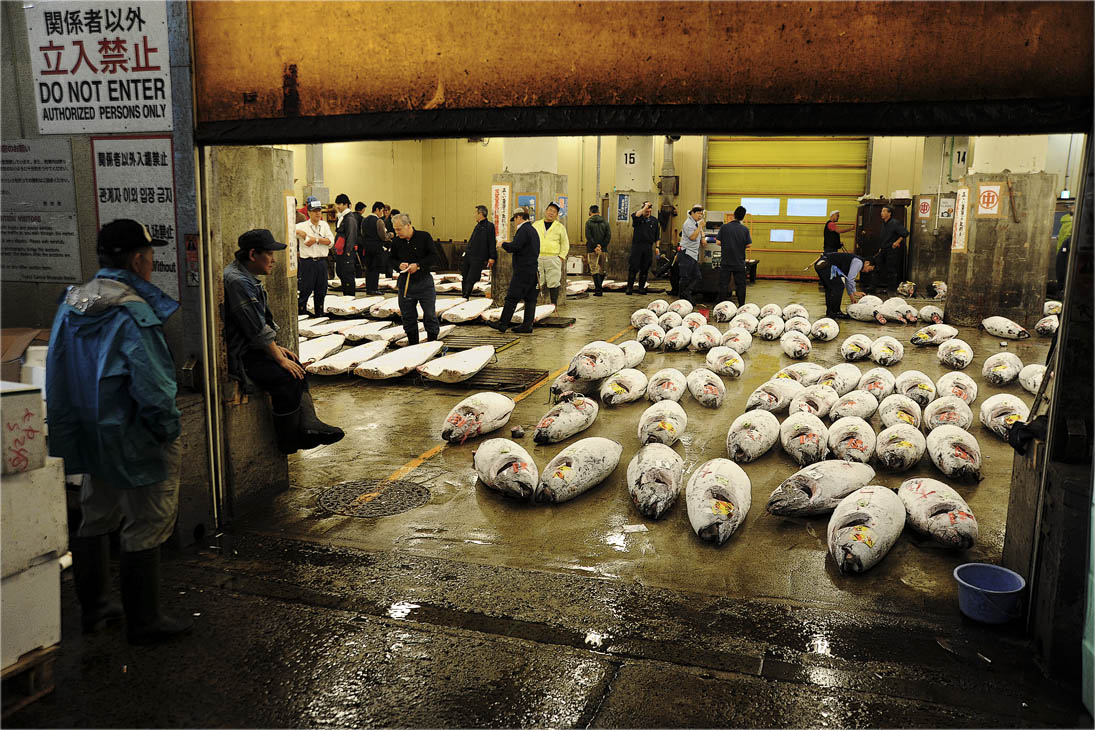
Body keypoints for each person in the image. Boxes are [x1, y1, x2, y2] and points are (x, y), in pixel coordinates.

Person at [47, 219, 192, 645]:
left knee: (97, 514)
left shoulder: (72, 301)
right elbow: (152, 386)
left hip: (89, 431)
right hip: (134, 435)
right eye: (150, 256)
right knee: (147, 520)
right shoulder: (133, 310)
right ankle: (144, 621)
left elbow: (57, 368)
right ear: (136, 260)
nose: (152, 264)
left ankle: (95, 609)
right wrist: (167, 431)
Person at [224, 228, 344, 455]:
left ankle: (309, 425)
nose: (273, 260)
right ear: (253, 255)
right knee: (286, 377)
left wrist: (278, 350)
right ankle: (288, 441)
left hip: (253, 347)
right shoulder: (237, 281)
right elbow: (257, 329)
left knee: (297, 367)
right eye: (269, 254)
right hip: (242, 355)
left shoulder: (244, 276)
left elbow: (256, 324)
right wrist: (278, 359)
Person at [488, 207, 540, 334]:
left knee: (511, 298)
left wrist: (503, 244)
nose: (514, 222)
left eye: (515, 219)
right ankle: (527, 326)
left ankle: (502, 324)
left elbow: (515, 247)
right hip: (532, 270)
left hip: (522, 270)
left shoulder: (523, 230)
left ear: (519, 217)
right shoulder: (533, 230)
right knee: (530, 299)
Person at [390, 213, 441, 344]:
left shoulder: (424, 237)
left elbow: (434, 257)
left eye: (399, 229)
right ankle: (413, 345)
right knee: (408, 316)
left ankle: (432, 344)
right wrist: (398, 265)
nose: (397, 232)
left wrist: (418, 266)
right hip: (406, 284)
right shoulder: (396, 241)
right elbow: (390, 259)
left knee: (429, 315)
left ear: (408, 226)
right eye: (395, 229)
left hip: (424, 282)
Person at [294, 199, 333, 315]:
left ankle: (319, 314)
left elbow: (331, 242)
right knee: (305, 290)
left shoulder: (324, 225)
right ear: (309, 212)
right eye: (314, 211)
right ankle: (301, 315)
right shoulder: (302, 226)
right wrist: (304, 235)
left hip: (321, 262)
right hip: (308, 263)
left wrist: (315, 240)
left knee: (321, 291)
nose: (317, 213)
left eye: (319, 211)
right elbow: (288, 231)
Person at [814, 250, 876, 319]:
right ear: (867, 263)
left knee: (831, 288)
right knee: (838, 286)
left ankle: (830, 312)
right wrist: (855, 292)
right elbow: (850, 279)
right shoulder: (859, 262)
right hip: (826, 264)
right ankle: (835, 312)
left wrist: (852, 296)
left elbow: (847, 279)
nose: (867, 271)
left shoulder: (855, 261)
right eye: (869, 269)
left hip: (821, 264)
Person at [532, 201, 570, 306]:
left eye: (554, 211)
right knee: (536, 282)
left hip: (553, 258)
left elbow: (565, 244)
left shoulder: (560, 227)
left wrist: (561, 257)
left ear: (557, 215)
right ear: (545, 211)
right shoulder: (536, 225)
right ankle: (532, 305)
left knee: (553, 282)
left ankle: (554, 305)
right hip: (537, 258)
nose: (551, 213)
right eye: (550, 210)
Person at [716, 205, 752, 305]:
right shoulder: (745, 229)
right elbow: (749, 244)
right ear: (743, 217)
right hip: (739, 262)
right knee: (740, 285)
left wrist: (727, 244)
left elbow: (718, 242)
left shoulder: (724, 227)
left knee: (723, 284)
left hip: (726, 261)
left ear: (734, 215)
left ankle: (722, 305)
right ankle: (741, 305)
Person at [872, 205, 909, 293]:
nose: (882, 213)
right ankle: (873, 287)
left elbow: (905, 233)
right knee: (878, 267)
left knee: (891, 269)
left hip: (891, 250)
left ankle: (891, 289)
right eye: (881, 211)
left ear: (889, 213)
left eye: (884, 211)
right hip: (883, 249)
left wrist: (897, 242)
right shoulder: (884, 223)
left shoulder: (894, 223)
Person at [462, 205, 496, 299]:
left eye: (476, 213)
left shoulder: (489, 226)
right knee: (464, 277)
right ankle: (463, 296)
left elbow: (492, 242)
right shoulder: (477, 226)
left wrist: (492, 257)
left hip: (478, 258)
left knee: (471, 278)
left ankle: (465, 296)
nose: (474, 215)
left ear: (480, 214)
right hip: (469, 256)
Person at [627, 200, 659, 294]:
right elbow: (635, 215)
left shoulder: (654, 221)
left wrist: (657, 247)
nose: (647, 212)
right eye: (646, 210)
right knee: (633, 267)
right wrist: (644, 207)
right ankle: (629, 288)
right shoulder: (638, 218)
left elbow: (657, 235)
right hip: (637, 246)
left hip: (648, 247)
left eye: (649, 210)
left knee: (645, 268)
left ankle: (641, 288)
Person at [358, 201, 390, 295]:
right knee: (375, 270)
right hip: (376, 248)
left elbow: (362, 233)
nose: (382, 213)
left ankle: (369, 289)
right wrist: (390, 235)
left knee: (369, 269)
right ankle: (374, 289)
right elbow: (383, 236)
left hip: (367, 248)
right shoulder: (378, 221)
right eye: (381, 210)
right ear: (377, 209)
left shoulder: (364, 220)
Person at [332, 193, 359, 297]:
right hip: (340, 253)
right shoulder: (341, 218)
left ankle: (350, 299)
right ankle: (346, 297)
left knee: (348, 277)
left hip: (347, 254)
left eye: (340, 204)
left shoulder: (349, 218)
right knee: (341, 274)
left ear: (346, 204)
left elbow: (351, 236)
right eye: (337, 204)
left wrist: (348, 251)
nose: (338, 206)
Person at [677, 204, 705, 304]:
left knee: (697, 276)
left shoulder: (695, 223)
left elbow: (698, 233)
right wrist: (700, 227)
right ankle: (682, 296)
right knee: (685, 277)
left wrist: (702, 236)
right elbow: (692, 237)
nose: (700, 216)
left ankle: (686, 292)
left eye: (701, 214)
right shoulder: (688, 223)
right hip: (686, 253)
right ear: (692, 213)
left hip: (693, 254)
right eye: (698, 213)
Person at [585, 204, 611, 296]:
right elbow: (608, 236)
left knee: (594, 269)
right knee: (602, 269)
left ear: (590, 212)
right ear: (599, 212)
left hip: (592, 250)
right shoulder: (605, 222)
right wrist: (601, 246)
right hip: (603, 250)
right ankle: (599, 288)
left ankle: (598, 289)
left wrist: (595, 246)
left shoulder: (588, 222)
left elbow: (588, 236)